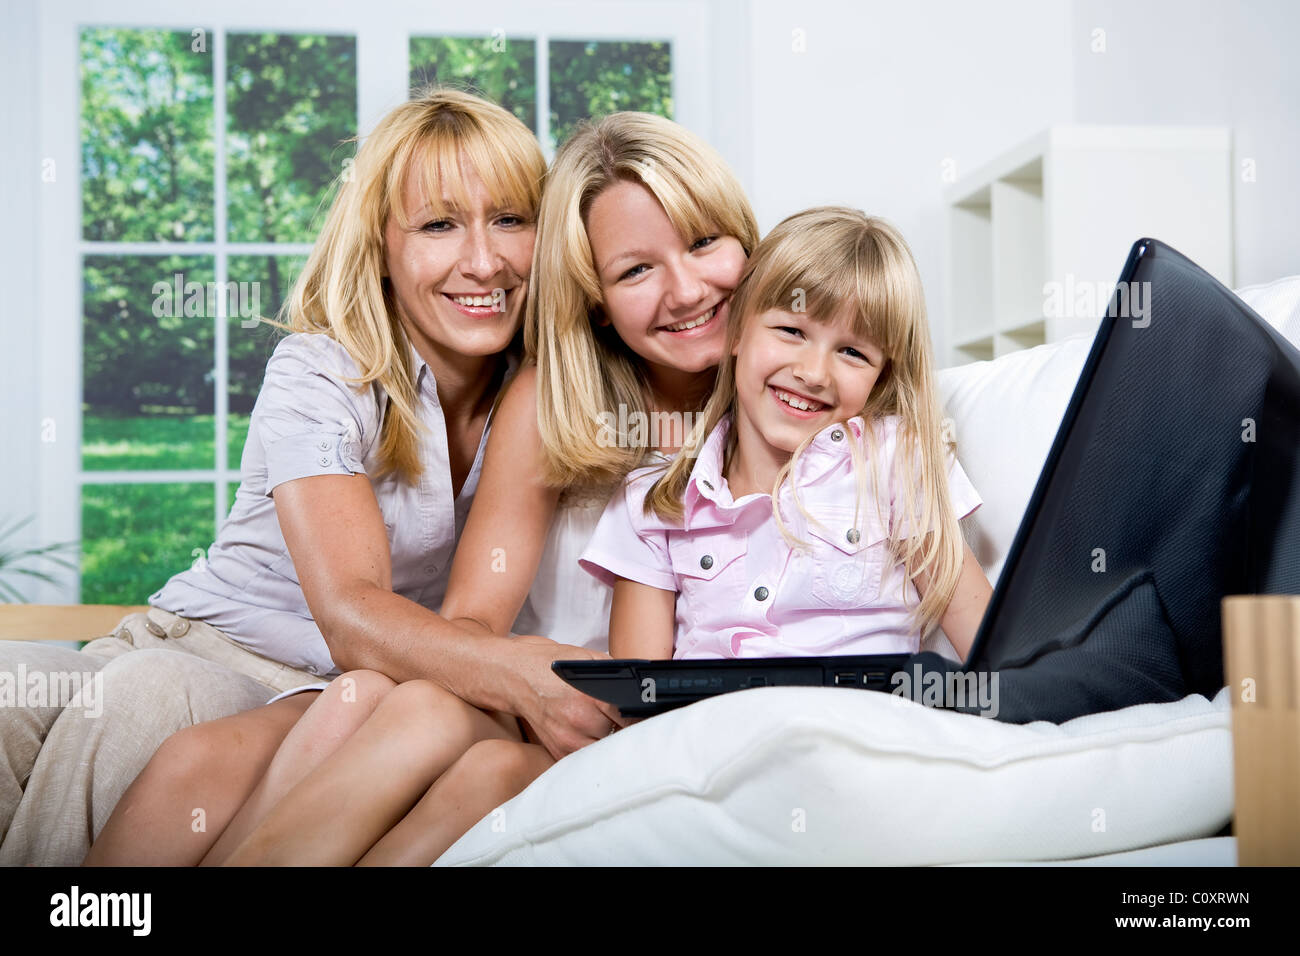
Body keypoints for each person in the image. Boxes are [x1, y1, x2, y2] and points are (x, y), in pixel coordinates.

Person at [85, 111, 760, 866]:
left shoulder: (795, 393)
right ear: (593, 291)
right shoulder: (531, 393)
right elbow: (408, 616)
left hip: (472, 694)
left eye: (508, 220)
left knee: (443, 742)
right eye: (635, 269)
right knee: (238, 748)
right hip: (259, 650)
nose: (686, 288)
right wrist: (526, 679)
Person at [0, 87, 595, 867]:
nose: (482, 261)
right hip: (205, 637)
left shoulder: (545, 391)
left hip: (299, 687)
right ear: (381, 247)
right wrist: (519, 675)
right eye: (439, 224)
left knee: (143, 696)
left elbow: (370, 643)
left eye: (510, 219)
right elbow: (351, 608)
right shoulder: (319, 370)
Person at [581, 207, 995, 662]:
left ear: (881, 375)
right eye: (791, 330)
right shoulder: (653, 502)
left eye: (853, 352)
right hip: (712, 726)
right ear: (736, 332)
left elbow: (992, 650)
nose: (814, 373)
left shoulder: (897, 459)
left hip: (858, 723)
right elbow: (641, 692)